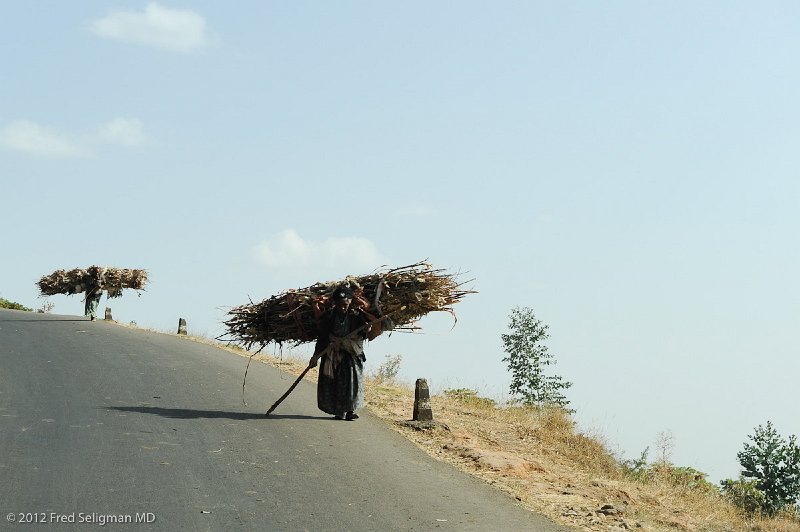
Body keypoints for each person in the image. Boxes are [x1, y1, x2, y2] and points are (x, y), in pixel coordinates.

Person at [309, 286, 386, 421]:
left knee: (351, 383)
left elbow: (369, 330)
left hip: (351, 354)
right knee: (335, 383)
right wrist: (315, 356)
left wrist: (369, 323)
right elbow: (322, 337)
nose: (342, 307)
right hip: (333, 353)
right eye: (339, 304)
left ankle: (350, 410)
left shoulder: (357, 316)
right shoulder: (329, 316)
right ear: (335, 304)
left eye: (345, 304)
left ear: (350, 302)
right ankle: (339, 411)